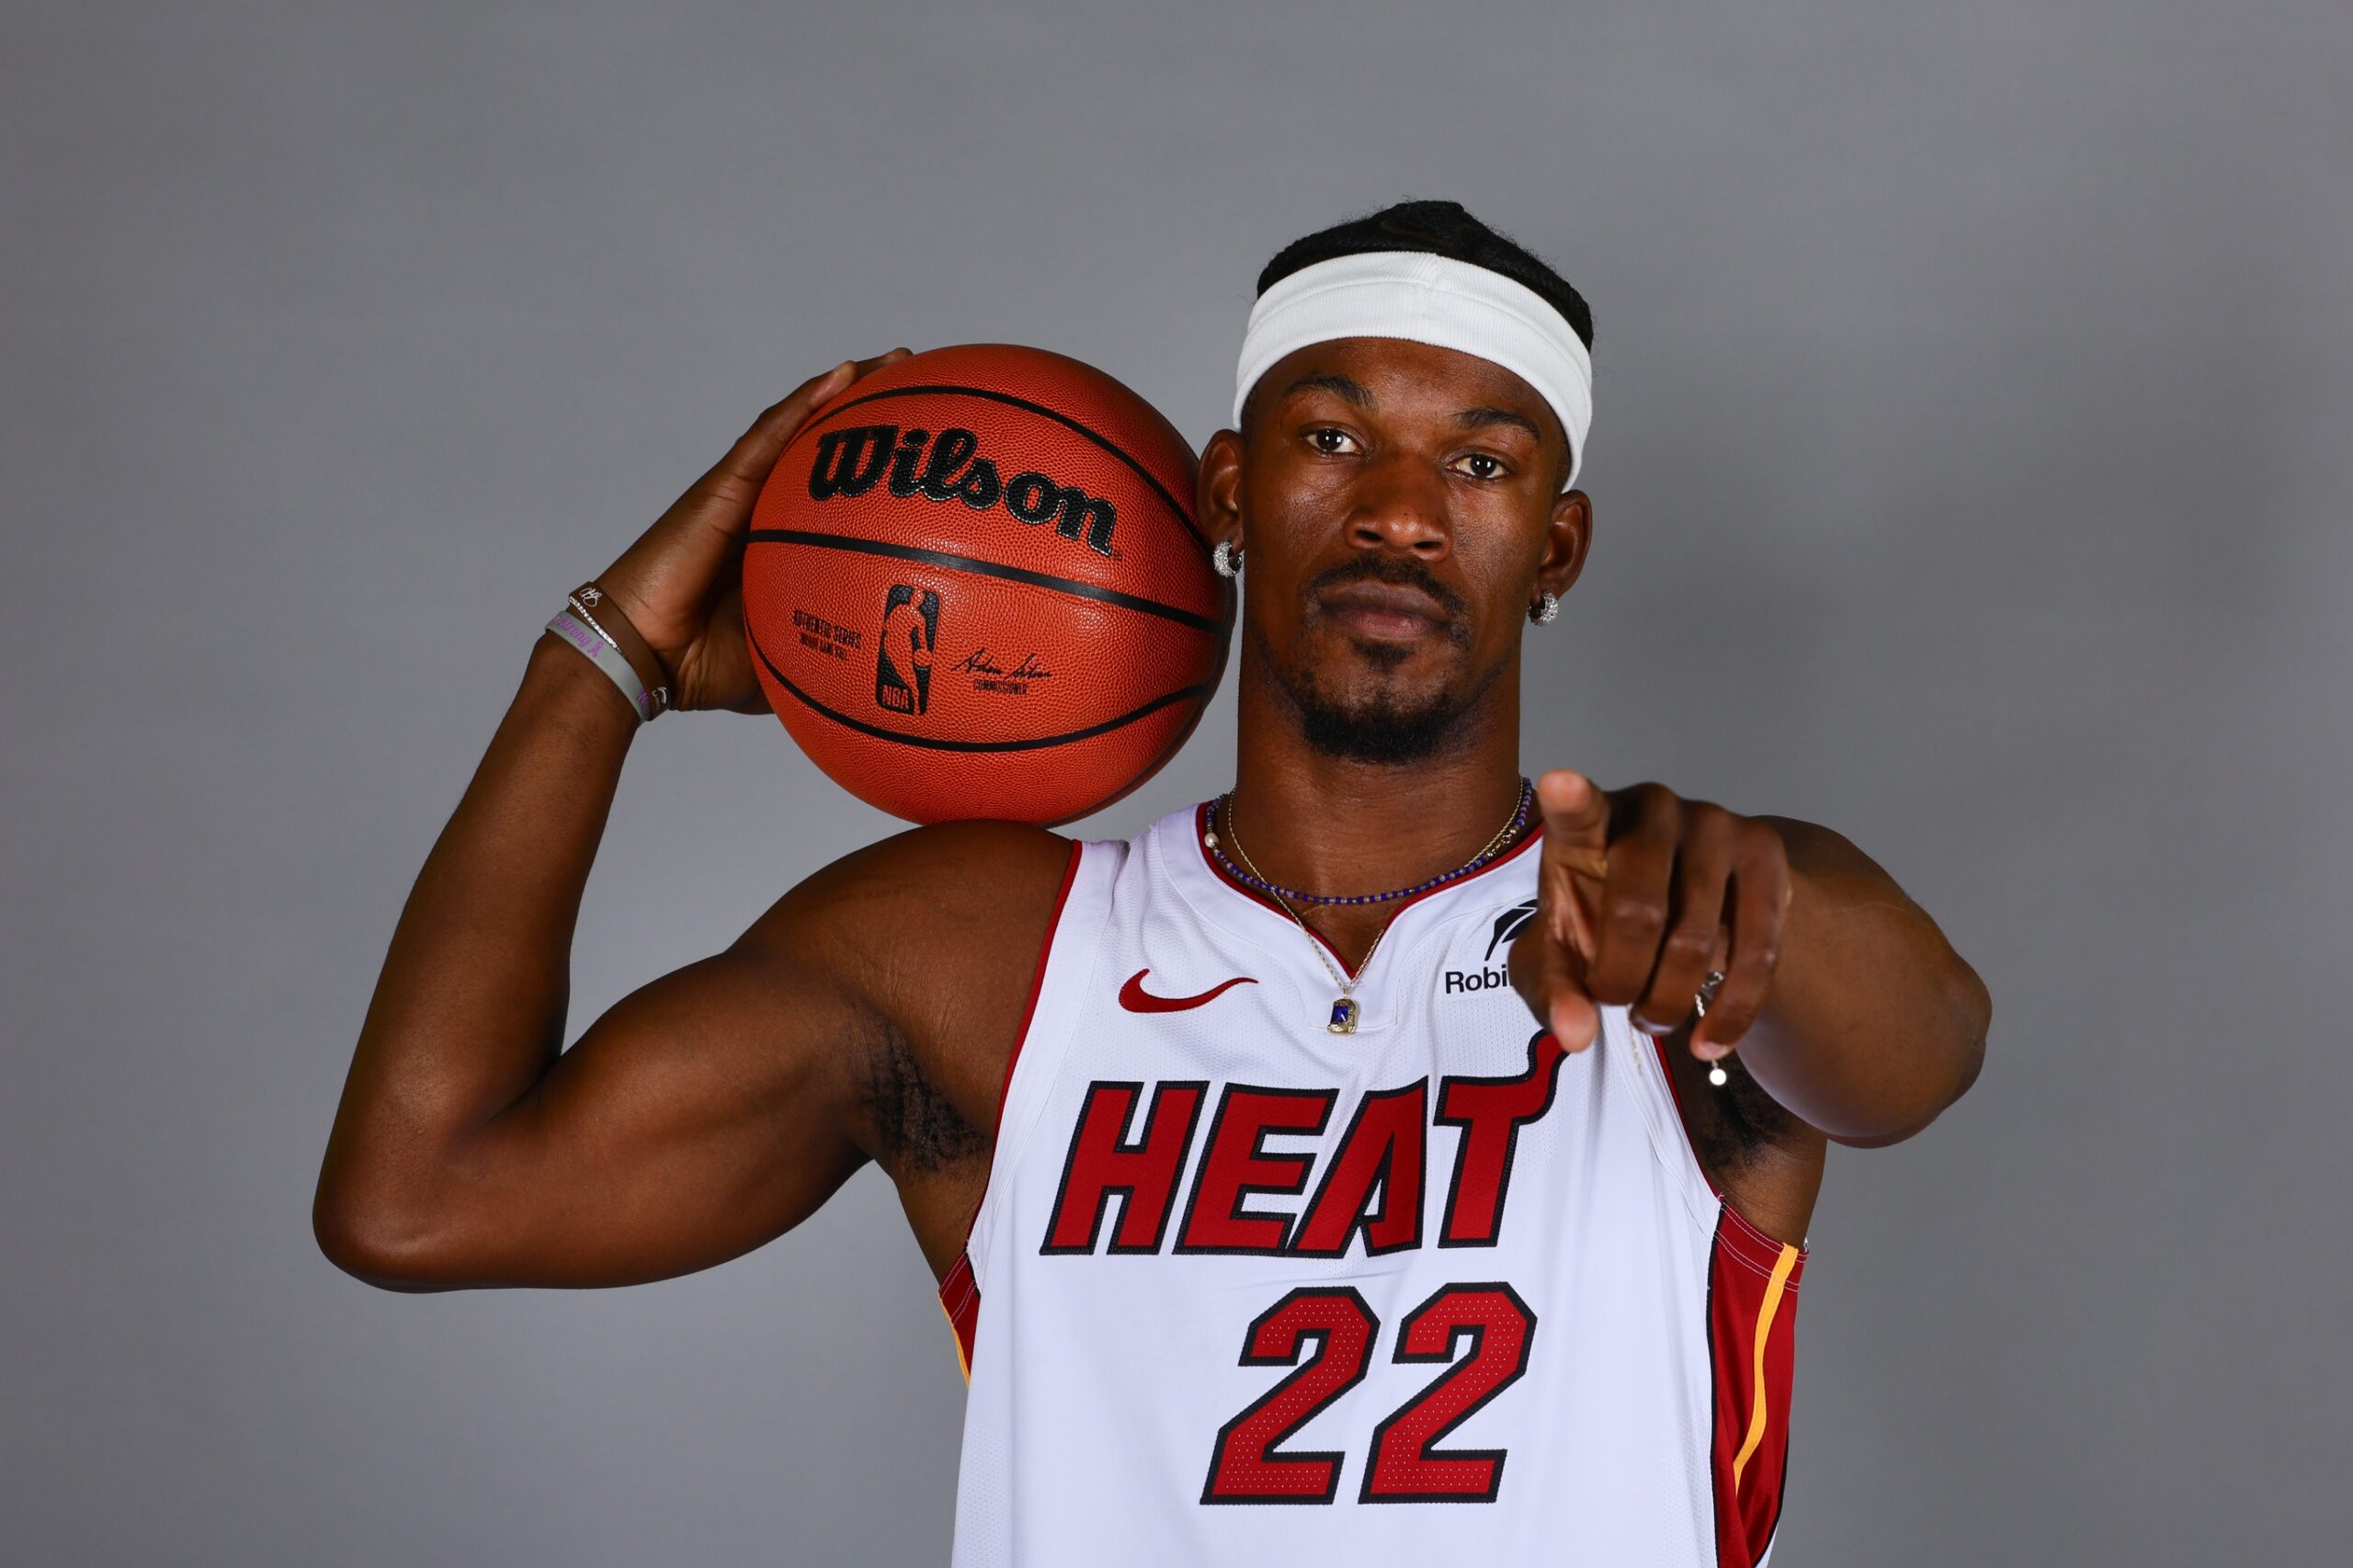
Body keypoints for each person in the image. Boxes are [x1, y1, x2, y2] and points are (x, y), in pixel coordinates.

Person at [314, 199, 1989, 1566]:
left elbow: (1922, 1049)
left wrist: (1742, 921)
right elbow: (422, 1192)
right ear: (1229, 493)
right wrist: (599, 664)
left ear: (1556, 547)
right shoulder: (985, 951)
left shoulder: (1681, 913)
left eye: (1480, 464)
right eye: (1333, 435)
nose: (1402, 510)